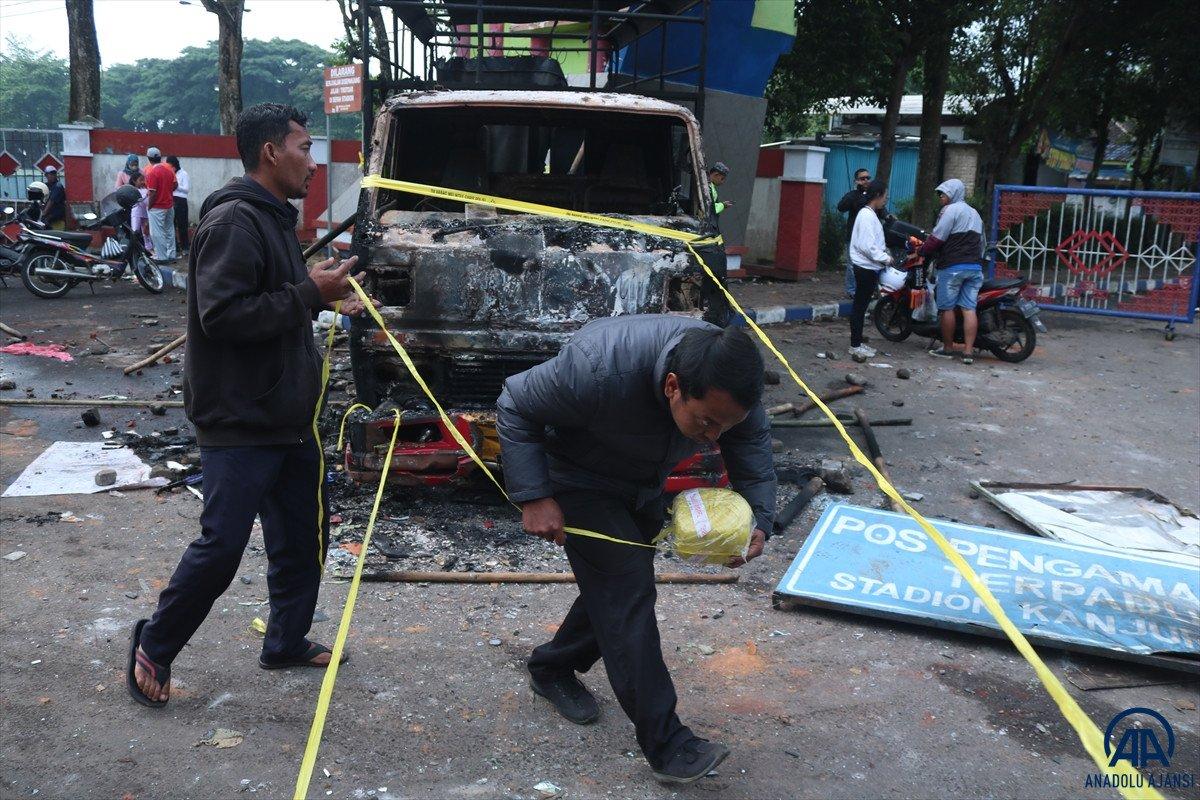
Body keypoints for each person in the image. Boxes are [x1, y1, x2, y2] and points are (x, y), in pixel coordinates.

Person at [127, 103, 379, 709]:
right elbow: (221, 315)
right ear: (271, 152)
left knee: (301, 536)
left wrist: (322, 297)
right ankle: (153, 644)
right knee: (222, 546)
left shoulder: (272, 219)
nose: (312, 163)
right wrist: (306, 292)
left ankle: (286, 641)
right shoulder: (236, 222)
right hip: (240, 418)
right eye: (303, 149)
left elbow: (274, 300)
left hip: (287, 416)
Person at [497, 316, 776, 785]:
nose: (714, 438)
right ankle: (669, 745)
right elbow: (515, 403)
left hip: (642, 478)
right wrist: (534, 495)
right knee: (627, 591)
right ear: (672, 386)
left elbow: (749, 442)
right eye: (706, 422)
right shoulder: (598, 367)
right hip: (576, 475)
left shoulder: (730, 385)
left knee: (618, 587)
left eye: (725, 426)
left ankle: (552, 666)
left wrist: (759, 520)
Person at [917, 178, 985, 364]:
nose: (940, 197)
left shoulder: (950, 210)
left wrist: (922, 251)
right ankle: (968, 353)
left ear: (953, 194)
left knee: (947, 309)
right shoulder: (975, 213)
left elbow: (937, 238)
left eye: (943, 194)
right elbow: (982, 243)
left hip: (953, 267)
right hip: (975, 268)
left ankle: (948, 349)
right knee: (969, 308)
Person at [847, 179, 893, 360]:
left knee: (861, 305)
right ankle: (855, 345)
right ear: (877, 195)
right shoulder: (866, 216)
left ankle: (857, 342)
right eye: (885, 196)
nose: (885, 200)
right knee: (859, 307)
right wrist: (885, 258)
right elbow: (867, 246)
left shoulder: (870, 214)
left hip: (868, 267)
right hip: (865, 267)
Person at [836, 168, 871, 298]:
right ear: (856, 181)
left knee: (867, 265)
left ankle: (865, 290)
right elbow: (841, 207)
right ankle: (852, 290)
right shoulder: (853, 195)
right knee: (852, 265)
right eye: (862, 178)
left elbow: (881, 210)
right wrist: (855, 198)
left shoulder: (872, 195)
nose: (866, 180)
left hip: (868, 236)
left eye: (868, 178)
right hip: (854, 236)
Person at [143, 146, 177, 262]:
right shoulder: (169, 170)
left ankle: (162, 256)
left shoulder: (152, 172)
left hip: (157, 206)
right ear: (160, 157)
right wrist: (166, 191)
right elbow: (175, 185)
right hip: (169, 205)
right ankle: (171, 254)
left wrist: (149, 206)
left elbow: (152, 193)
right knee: (169, 230)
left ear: (149, 158)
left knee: (157, 233)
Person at [167, 155, 190, 253]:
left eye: (171, 166)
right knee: (171, 224)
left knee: (182, 225)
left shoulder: (183, 174)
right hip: (171, 199)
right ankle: (174, 247)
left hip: (181, 200)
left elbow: (186, 189)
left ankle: (185, 247)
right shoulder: (168, 173)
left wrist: (176, 186)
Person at [129, 172, 153, 254]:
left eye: (143, 180)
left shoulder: (145, 190)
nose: (143, 182)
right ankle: (134, 249)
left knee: (146, 232)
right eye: (140, 180)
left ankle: (148, 249)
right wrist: (146, 195)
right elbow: (138, 200)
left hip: (145, 212)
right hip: (136, 213)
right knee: (135, 230)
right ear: (134, 181)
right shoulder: (132, 190)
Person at [41, 166, 67, 231]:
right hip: (50, 216)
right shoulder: (46, 186)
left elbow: (51, 201)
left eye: (54, 174)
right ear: (46, 175)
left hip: (56, 216)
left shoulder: (58, 186)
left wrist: (43, 213)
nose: (53, 176)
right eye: (51, 174)